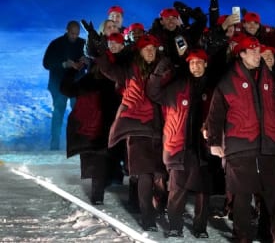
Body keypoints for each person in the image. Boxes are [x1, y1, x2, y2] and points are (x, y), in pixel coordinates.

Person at [204, 35, 275, 243]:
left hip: (269, 146)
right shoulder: (228, 80)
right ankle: (242, 238)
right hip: (240, 148)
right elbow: (215, 114)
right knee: (242, 198)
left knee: (273, 196)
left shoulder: (268, 75)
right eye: (251, 51)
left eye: (258, 50)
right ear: (241, 54)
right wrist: (213, 142)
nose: (256, 54)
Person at [97, 33, 168, 232]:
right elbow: (108, 69)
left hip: (162, 130)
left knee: (160, 175)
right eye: (146, 49)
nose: (150, 52)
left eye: (153, 49)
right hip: (137, 130)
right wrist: (100, 50)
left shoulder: (164, 69)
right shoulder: (128, 70)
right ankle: (148, 218)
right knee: (144, 175)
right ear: (139, 51)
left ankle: (160, 208)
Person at [147, 49, 215, 238]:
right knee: (177, 190)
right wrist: (160, 69)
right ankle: (175, 226)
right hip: (179, 146)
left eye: (199, 62)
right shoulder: (177, 86)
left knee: (204, 191)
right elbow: (153, 93)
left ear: (205, 64)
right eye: (192, 63)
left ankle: (200, 228)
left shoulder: (213, 87)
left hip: (204, 148)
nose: (195, 66)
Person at [60, 34, 120, 205]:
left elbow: (65, 88)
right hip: (104, 130)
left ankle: (98, 195)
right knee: (101, 162)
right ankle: (98, 195)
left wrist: (73, 69)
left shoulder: (86, 81)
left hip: (86, 131)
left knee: (95, 162)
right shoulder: (114, 81)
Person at [43, 20, 87, 150]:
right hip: (58, 85)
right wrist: (63, 64)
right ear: (67, 30)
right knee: (58, 112)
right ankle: (55, 144)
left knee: (78, 114)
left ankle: (78, 143)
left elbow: (92, 61)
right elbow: (46, 63)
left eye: (77, 34)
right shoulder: (56, 44)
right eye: (72, 33)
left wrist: (86, 62)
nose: (74, 36)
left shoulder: (82, 44)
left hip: (76, 85)